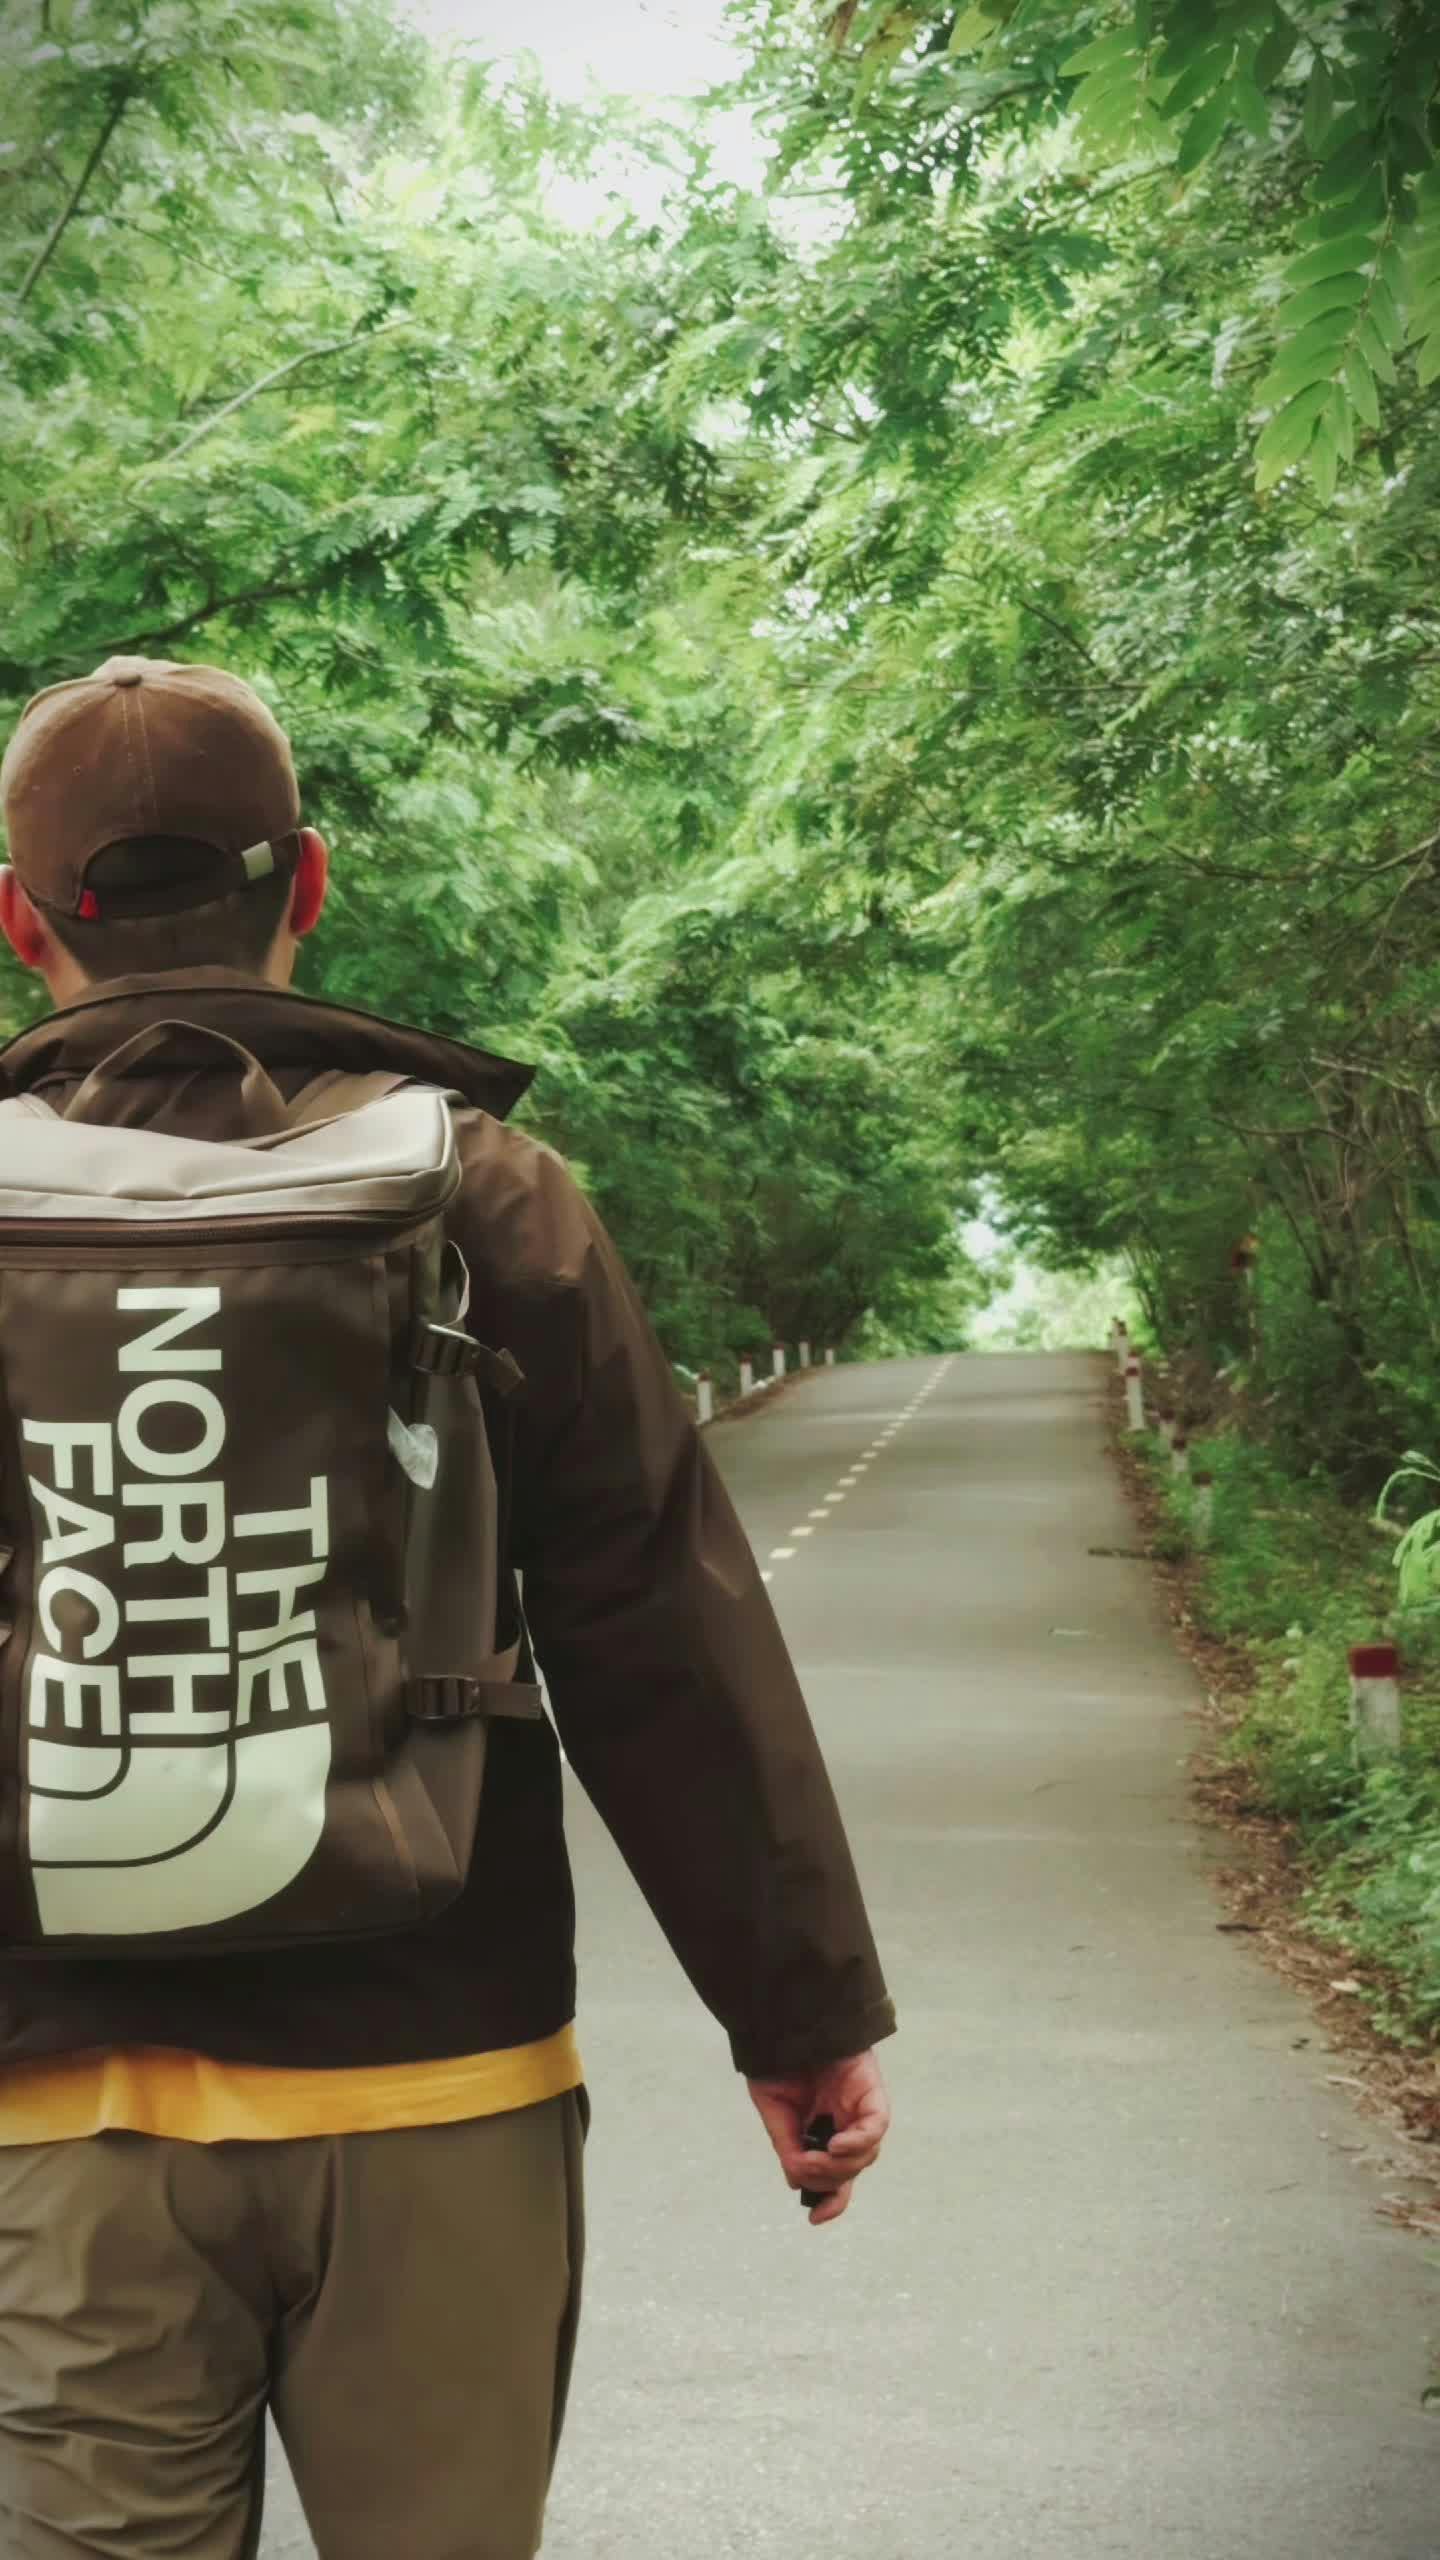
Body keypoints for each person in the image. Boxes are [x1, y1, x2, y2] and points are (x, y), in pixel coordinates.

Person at [0, 654, 896, 2560]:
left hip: (48, 2110)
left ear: (18, 918)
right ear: (308, 882)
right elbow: (654, 1629)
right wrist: (796, 2012)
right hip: (440, 2070)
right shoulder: (484, 1193)